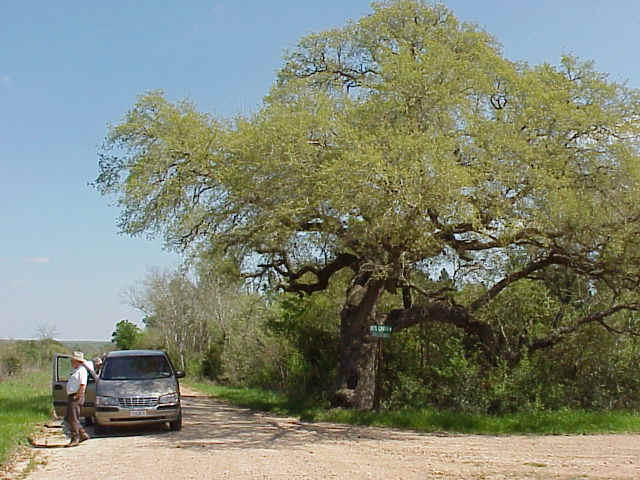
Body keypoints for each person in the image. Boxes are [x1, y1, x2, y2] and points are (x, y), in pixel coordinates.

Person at [65, 351, 90, 447]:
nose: (71, 362)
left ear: (77, 361)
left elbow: (82, 385)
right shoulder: (76, 370)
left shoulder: (81, 371)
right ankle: (83, 434)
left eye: (73, 360)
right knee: (69, 417)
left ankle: (75, 438)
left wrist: (78, 395)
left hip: (76, 396)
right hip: (72, 395)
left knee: (73, 418)